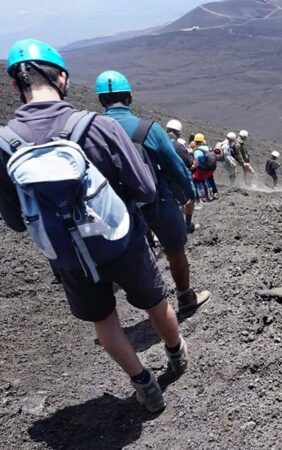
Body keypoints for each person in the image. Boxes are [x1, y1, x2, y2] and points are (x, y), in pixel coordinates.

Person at [0, 40, 186, 412]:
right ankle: (176, 356)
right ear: (63, 78)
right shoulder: (97, 126)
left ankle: (144, 385)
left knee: (104, 321)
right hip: (121, 238)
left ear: (15, 87)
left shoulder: (5, 144)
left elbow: (15, 221)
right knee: (154, 301)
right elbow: (145, 188)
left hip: (67, 254)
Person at [96, 70, 212, 317]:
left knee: (133, 255)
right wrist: (189, 192)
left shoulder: (93, 132)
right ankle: (184, 297)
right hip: (157, 201)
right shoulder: (149, 129)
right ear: (129, 97)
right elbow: (175, 166)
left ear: (100, 101)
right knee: (175, 249)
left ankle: (151, 307)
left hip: (117, 209)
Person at [165, 120, 197, 233]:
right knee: (190, 200)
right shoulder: (178, 146)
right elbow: (188, 163)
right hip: (174, 181)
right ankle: (187, 225)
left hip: (158, 180)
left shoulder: (156, 142)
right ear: (177, 133)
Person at [192, 134, 217, 201]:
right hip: (210, 170)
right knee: (208, 180)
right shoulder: (208, 148)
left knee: (195, 180)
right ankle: (212, 193)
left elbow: (196, 162)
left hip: (202, 170)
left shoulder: (197, 151)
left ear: (195, 142)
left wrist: (192, 167)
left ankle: (201, 196)